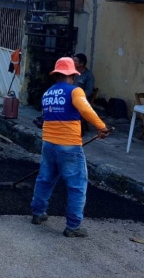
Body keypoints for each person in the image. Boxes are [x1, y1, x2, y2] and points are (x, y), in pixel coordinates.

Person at [30, 57, 111, 237]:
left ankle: (37, 213)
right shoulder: (76, 91)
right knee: (77, 186)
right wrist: (102, 127)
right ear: (73, 76)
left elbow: (46, 116)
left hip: (48, 144)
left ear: (56, 75)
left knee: (44, 180)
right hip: (69, 147)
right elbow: (86, 110)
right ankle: (73, 226)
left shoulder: (47, 94)